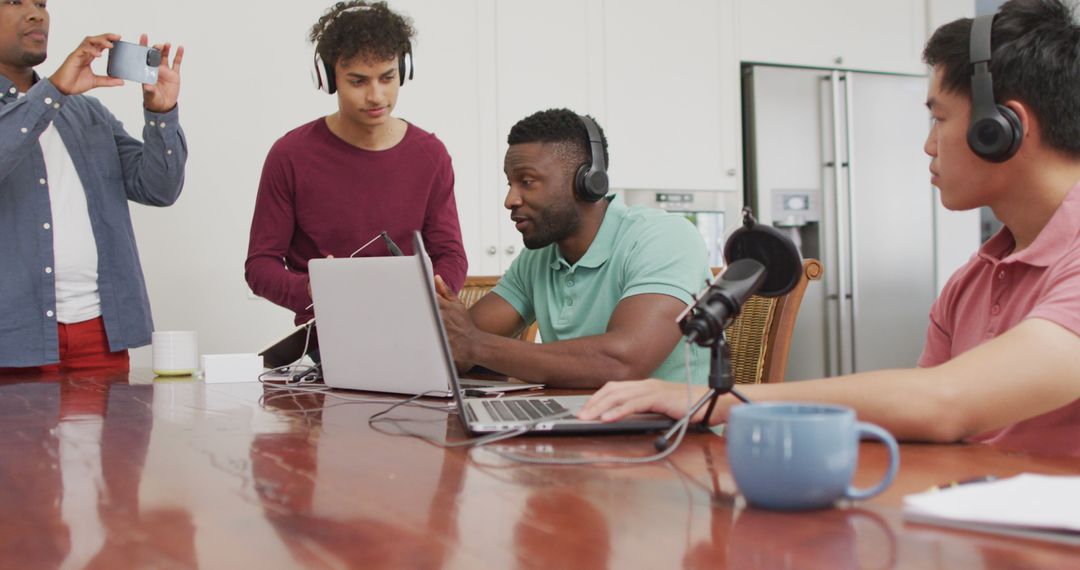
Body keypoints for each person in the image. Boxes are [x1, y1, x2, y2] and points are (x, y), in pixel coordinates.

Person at [580, 0, 1080, 456]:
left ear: (1000, 128)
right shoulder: (972, 280)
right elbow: (919, 422)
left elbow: (944, 403)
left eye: (939, 119)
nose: (928, 147)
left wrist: (712, 401)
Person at [435, 108, 711, 388]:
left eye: (527, 182)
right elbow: (458, 346)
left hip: (676, 429)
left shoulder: (663, 238)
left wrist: (476, 346)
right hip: (582, 421)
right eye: (510, 183)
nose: (510, 199)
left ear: (587, 181)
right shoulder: (537, 257)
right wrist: (447, 323)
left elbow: (624, 362)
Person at [246, 0, 467, 326]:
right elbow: (260, 265)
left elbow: (451, 256)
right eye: (358, 81)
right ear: (328, 79)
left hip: (411, 331)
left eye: (387, 77)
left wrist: (427, 292)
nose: (377, 96)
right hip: (324, 339)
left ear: (404, 71)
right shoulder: (290, 155)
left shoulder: (430, 155)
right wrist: (312, 289)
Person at [0, 1, 186, 372]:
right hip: (13, 338)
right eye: (13, 1)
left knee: (116, 434)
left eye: (41, 3)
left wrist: (162, 113)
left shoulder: (87, 113)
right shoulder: (57, 97)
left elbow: (159, 189)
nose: (36, 14)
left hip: (100, 335)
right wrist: (52, 91)